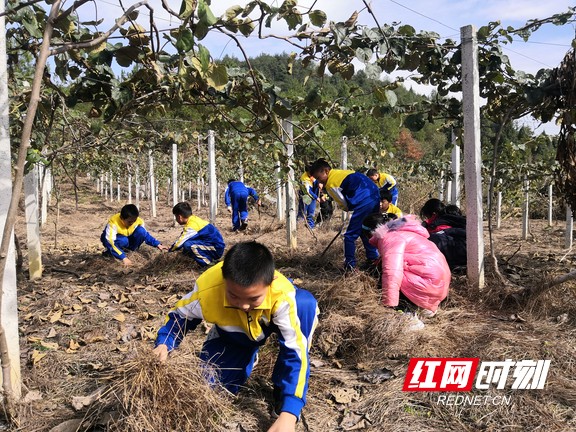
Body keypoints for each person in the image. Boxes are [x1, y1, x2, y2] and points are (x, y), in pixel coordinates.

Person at [153, 242, 319, 432]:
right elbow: (179, 318)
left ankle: (282, 391)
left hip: (270, 321)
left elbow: (295, 354)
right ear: (224, 279)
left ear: (271, 282)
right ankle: (245, 354)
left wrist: (290, 413)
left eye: (253, 298)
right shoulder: (207, 291)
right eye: (234, 296)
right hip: (233, 335)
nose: (244, 306)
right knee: (210, 389)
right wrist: (164, 344)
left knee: (304, 304)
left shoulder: (283, 296)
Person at [362, 213, 450, 319]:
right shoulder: (402, 232)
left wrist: (389, 305)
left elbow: (392, 272)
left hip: (427, 286)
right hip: (439, 286)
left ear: (370, 233)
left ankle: (407, 310)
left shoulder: (389, 239)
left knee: (386, 273)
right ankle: (425, 306)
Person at [310, 158, 380, 270]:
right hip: (374, 196)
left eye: (319, 178)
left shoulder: (331, 184)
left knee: (348, 235)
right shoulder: (340, 173)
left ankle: (349, 266)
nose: (319, 182)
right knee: (366, 230)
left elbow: (344, 204)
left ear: (326, 171)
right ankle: (373, 260)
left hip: (363, 201)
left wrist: (351, 215)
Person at [100, 204, 168, 266]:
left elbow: (145, 234)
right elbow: (110, 242)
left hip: (129, 239)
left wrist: (158, 244)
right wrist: (123, 258)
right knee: (123, 240)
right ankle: (112, 253)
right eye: (129, 221)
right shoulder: (113, 223)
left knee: (141, 231)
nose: (132, 223)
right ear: (122, 218)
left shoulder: (138, 221)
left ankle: (130, 251)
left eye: (134, 220)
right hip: (114, 241)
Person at [169, 201, 225, 267]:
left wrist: (170, 249)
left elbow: (180, 243)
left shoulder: (192, 226)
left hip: (216, 249)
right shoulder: (194, 220)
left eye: (176, 217)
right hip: (213, 246)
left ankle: (208, 264)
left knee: (188, 245)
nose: (176, 219)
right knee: (187, 245)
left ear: (179, 217)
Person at [420, 199, 467, 271]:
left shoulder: (439, 223)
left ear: (434, 214)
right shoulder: (454, 220)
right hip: (467, 253)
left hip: (458, 255)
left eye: (428, 216)